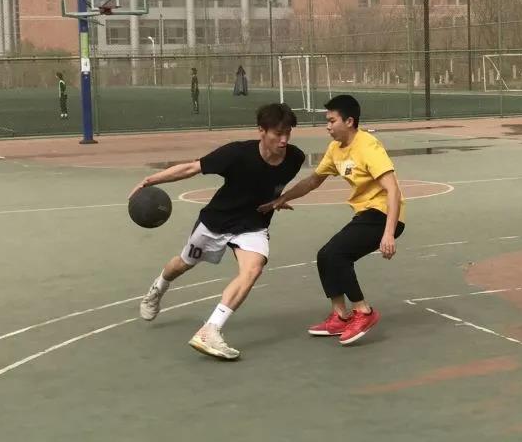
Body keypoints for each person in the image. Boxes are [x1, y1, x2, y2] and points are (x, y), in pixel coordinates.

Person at [133, 103, 305, 359]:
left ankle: (210, 330)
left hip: (252, 225)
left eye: (288, 133)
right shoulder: (236, 154)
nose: (284, 140)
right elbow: (192, 168)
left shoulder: (295, 158)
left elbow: (272, 184)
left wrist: (280, 199)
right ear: (261, 130)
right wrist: (150, 180)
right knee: (183, 264)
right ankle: (158, 287)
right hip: (217, 222)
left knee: (253, 269)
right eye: (278, 133)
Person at [260, 94, 405, 346]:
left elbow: (393, 189)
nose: (327, 126)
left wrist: (389, 233)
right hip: (366, 214)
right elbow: (313, 181)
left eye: (331, 120)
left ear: (349, 121)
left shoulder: (368, 146)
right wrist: (281, 198)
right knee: (325, 256)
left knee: (337, 254)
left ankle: (364, 312)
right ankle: (340, 316)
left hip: (383, 214)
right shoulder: (335, 149)